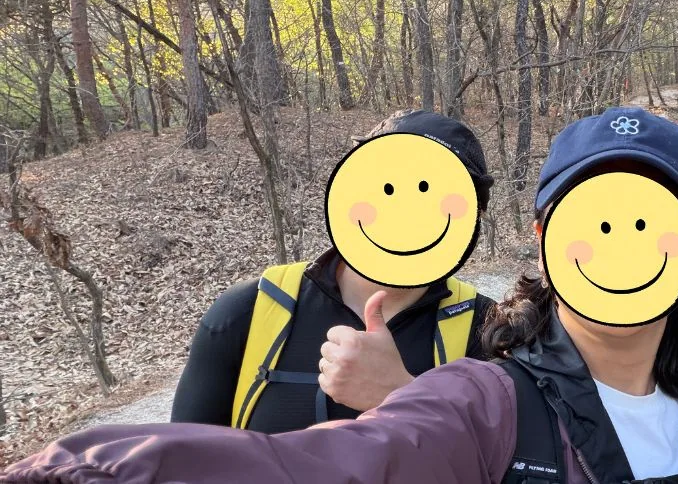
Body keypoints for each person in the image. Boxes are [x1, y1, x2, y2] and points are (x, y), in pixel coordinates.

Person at [3, 107, 678, 484]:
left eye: (652, 218)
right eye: (592, 214)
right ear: (541, 236)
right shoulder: (484, 402)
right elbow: (312, 465)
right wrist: (80, 467)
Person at [169, 109, 497, 433]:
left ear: (470, 220)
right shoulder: (250, 310)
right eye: (388, 189)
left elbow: (498, 462)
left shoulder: (487, 331)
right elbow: (182, 462)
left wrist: (398, 396)